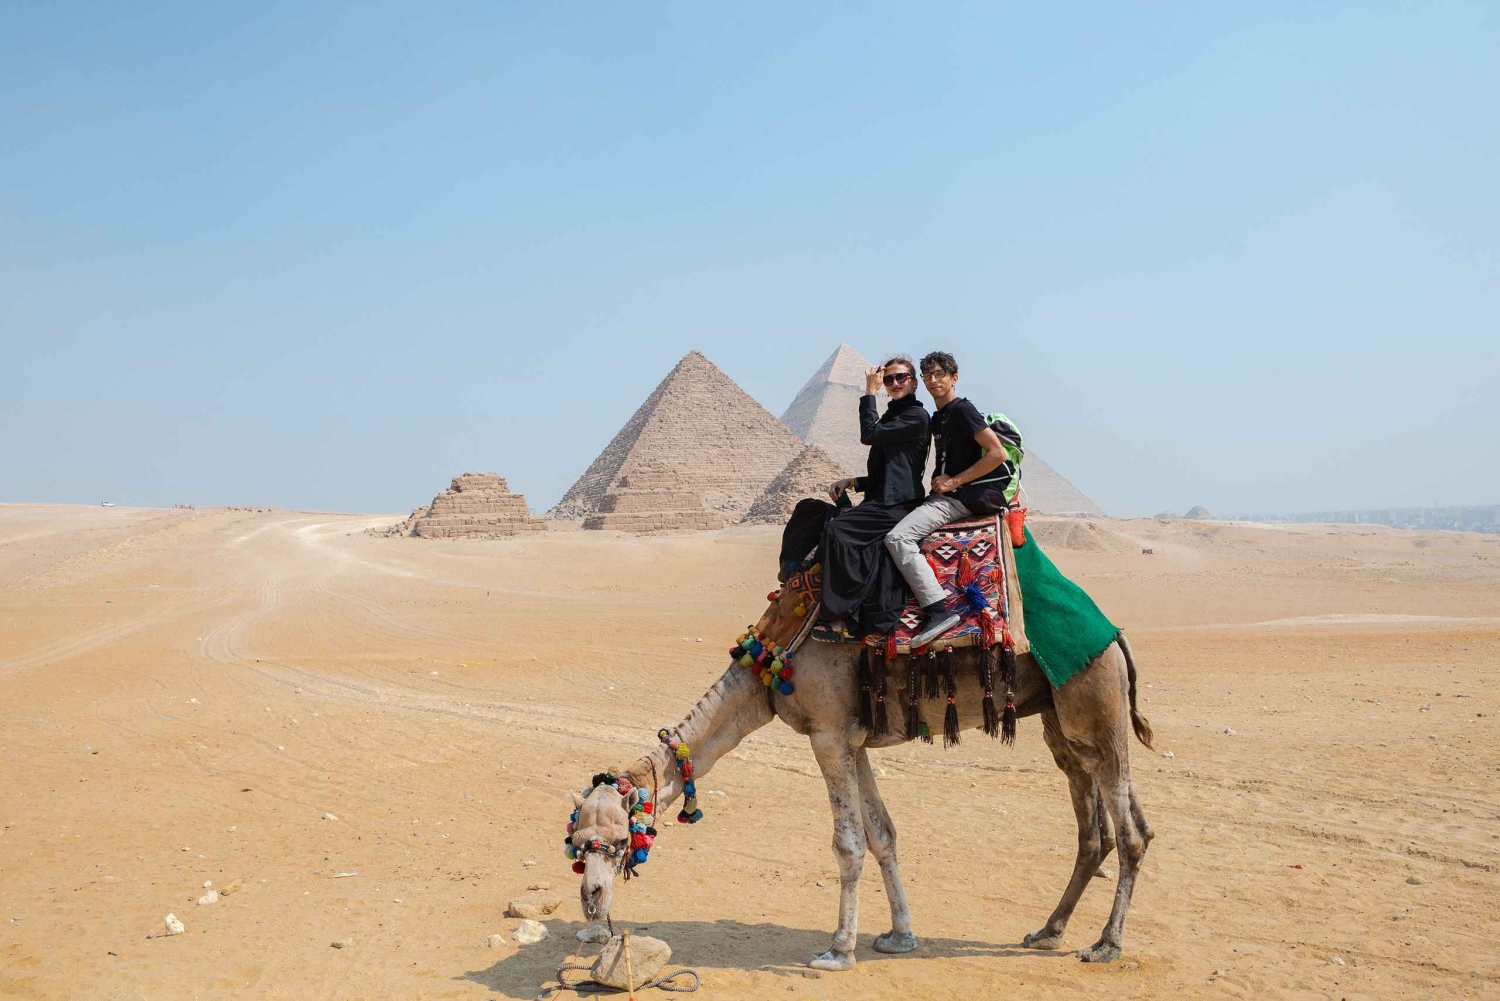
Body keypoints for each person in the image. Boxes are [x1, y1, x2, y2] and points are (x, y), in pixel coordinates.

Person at [777, 356, 930, 635]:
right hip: (881, 498)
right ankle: (793, 572)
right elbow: (892, 471)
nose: (894, 383)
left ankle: (842, 615)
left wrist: (869, 393)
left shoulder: (916, 417)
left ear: (914, 382)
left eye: (901, 378)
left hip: (898, 505)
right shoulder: (894, 416)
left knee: (839, 529)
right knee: (810, 508)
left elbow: (869, 435)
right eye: (888, 379)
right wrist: (852, 482)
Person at [885, 350, 1018, 648]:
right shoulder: (939, 416)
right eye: (927, 375)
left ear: (954, 378)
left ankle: (938, 610)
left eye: (939, 374)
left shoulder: (962, 411)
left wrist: (953, 481)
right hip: (950, 493)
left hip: (960, 497)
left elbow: (997, 454)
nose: (933, 381)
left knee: (898, 539)